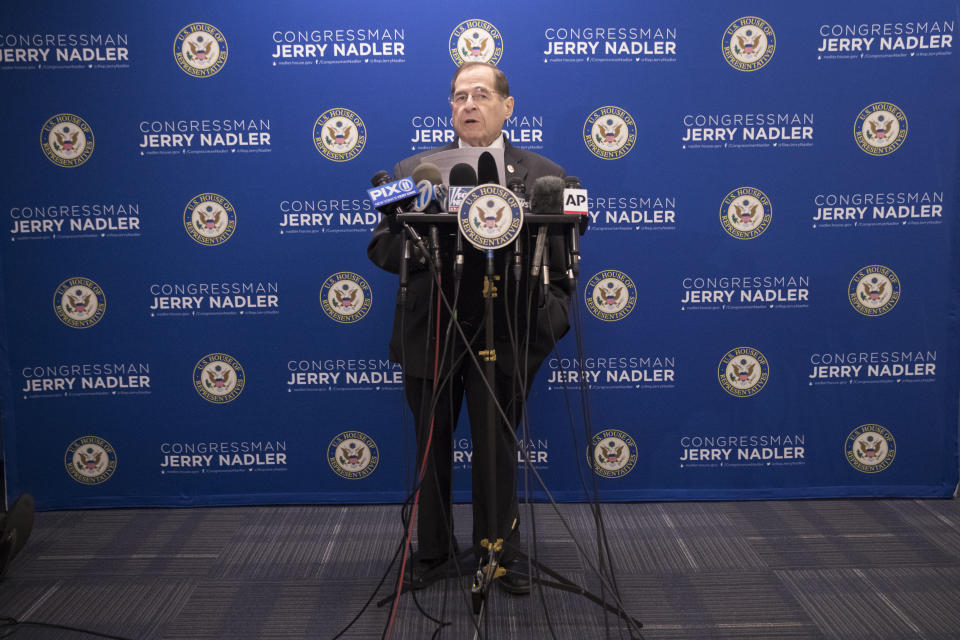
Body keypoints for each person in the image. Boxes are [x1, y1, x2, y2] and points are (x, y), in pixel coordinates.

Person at [367, 62, 571, 595]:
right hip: (431, 328)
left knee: (497, 444)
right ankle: (432, 553)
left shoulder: (545, 172)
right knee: (431, 445)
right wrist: (418, 240)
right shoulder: (415, 170)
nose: (469, 105)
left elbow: (563, 261)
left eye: (482, 94)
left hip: (505, 331)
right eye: (459, 96)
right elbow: (381, 246)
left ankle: (499, 554)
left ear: (508, 106)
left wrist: (547, 323)